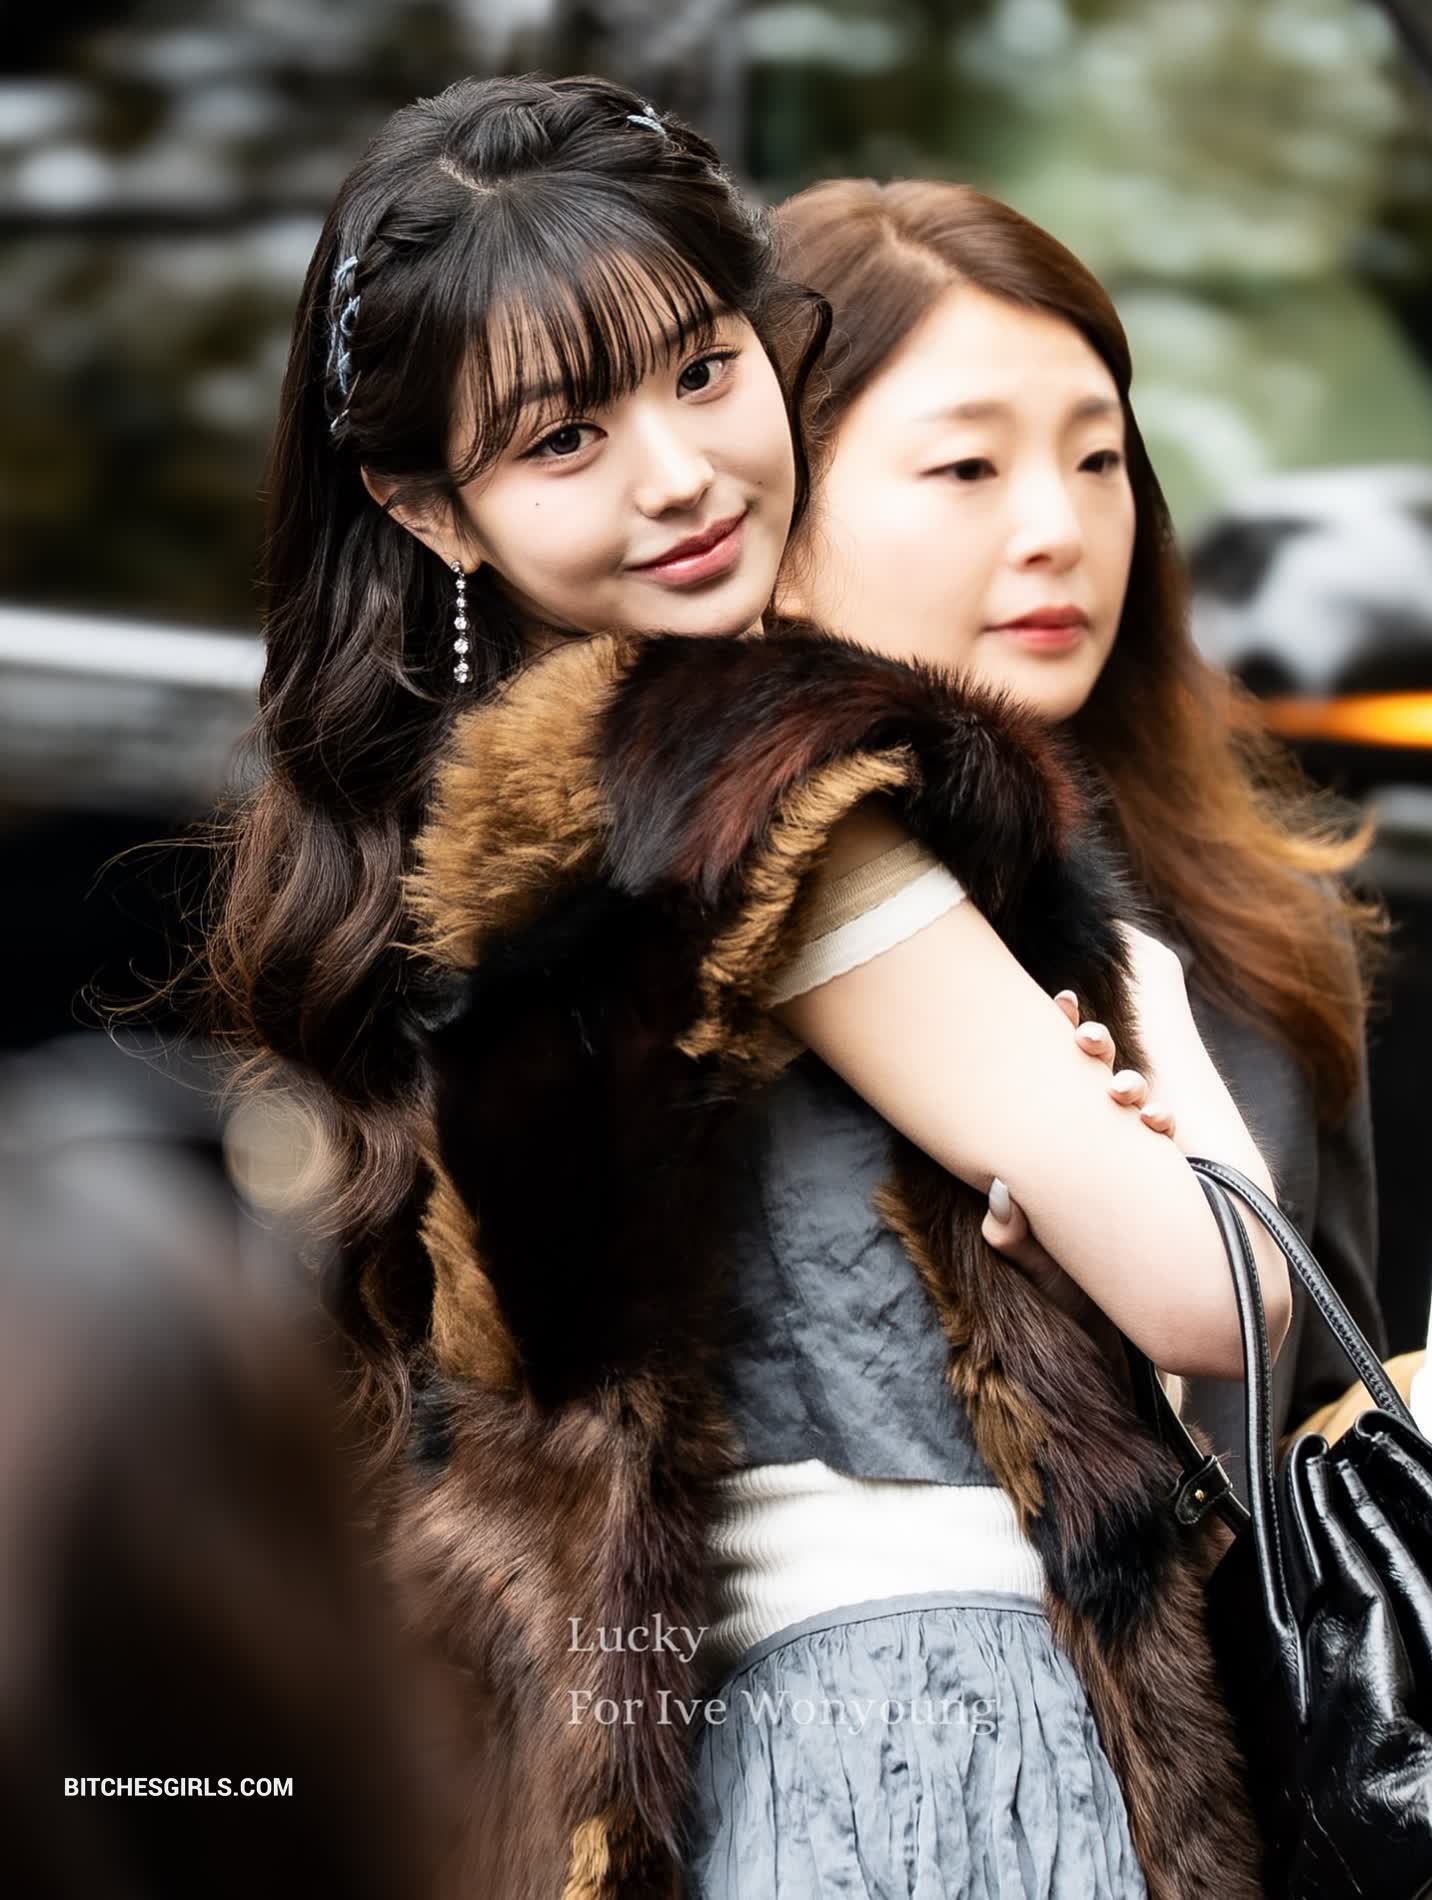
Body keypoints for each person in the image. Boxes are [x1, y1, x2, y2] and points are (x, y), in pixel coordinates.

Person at [186, 76, 1288, 1898]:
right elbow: (1223, 1294)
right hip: (939, 1749)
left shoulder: (484, 828)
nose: (680, 473)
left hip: (697, 1766)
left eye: (703, 369)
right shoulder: (765, 790)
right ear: (429, 511)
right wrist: (1145, 988)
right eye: (566, 437)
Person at [772, 176, 1391, 1502]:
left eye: (1099, 460)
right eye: (968, 468)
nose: (1059, 530)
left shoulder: (1254, 912)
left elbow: (1329, 1404)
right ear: (774, 518)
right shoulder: (718, 894)